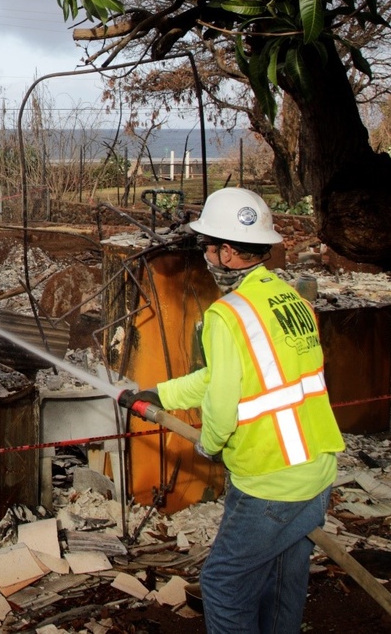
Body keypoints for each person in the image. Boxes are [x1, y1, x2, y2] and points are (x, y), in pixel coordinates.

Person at [118, 187, 344, 634]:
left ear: (226, 252)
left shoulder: (228, 315)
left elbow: (221, 404)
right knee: (282, 581)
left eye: (208, 246)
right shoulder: (289, 299)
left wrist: (209, 441)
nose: (204, 254)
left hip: (270, 480)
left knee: (222, 584)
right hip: (316, 467)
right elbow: (228, 376)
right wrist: (161, 394)